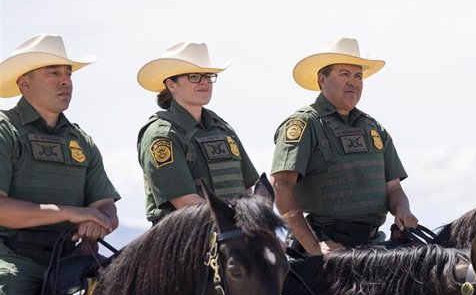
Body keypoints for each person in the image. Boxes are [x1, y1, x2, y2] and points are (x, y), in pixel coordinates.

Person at [0, 33, 120, 295]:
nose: (65, 81)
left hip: (72, 262)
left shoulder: (81, 141)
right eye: (53, 73)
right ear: (24, 83)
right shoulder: (6, 131)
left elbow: (105, 204)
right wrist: (72, 213)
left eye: (68, 74)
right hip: (13, 262)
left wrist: (98, 222)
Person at [271, 36, 418, 256]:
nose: (354, 82)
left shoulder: (374, 128)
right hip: (325, 248)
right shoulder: (305, 124)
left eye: (358, 76)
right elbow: (281, 188)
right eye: (344, 74)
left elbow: (394, 189)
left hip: (375, 248)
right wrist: (315, 247)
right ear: (322, 79)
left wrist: (402, 210)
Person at [137, 41, 259, 224]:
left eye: (208, 76)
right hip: (184, 239)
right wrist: (238, 221)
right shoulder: (162, 135)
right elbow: (185, 202)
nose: (204, 82)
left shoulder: (222, 128)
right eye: (194, 76)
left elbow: (246, 186)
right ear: (171, 84)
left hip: (235, 236)